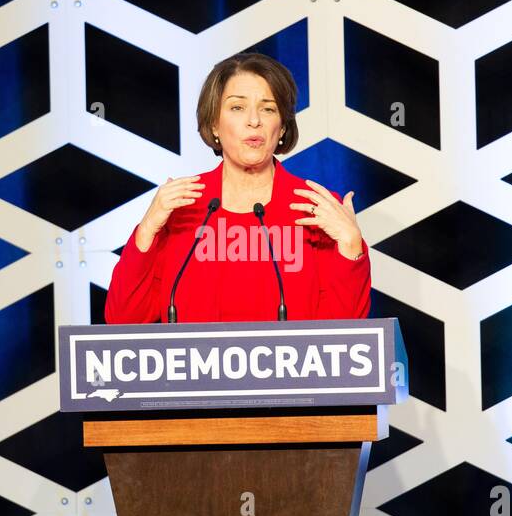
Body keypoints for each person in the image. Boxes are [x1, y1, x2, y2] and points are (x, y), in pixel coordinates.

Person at [104, 52, 371, 323]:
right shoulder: (181, 206)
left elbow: (346, 341)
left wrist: (350, 245)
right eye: (237, 108)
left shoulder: (315, 207)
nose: (254, 120)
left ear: (281, 129)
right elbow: (124, 322)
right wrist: (147, 229)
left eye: (268, 109)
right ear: (213, 124)